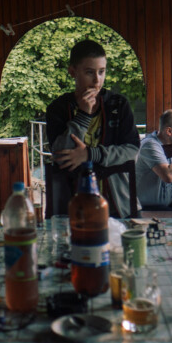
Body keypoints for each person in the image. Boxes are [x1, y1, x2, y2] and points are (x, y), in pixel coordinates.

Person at [46, 39, 140, 217]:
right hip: (73, 208)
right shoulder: (57, 108)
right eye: (89, 72)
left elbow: (132, 151)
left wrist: (89, 154)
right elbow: (61, 155)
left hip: (119, 205)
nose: (97, 80)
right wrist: (83, 115)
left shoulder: (119, 104)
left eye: (102, 72)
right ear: (73, 72)